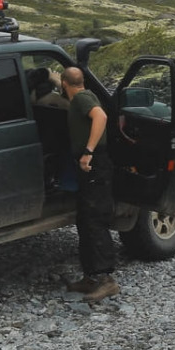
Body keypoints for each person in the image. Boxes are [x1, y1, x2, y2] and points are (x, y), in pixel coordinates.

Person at [60, 66, 119, 301]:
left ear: (65, 84)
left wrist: (88, 151)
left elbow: (101, 116)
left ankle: (107, 280)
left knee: (95, 218)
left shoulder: (83, 99)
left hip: (95, 164)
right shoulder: (82, 93)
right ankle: (90, 277)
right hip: (90, 166)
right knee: (84, 218)